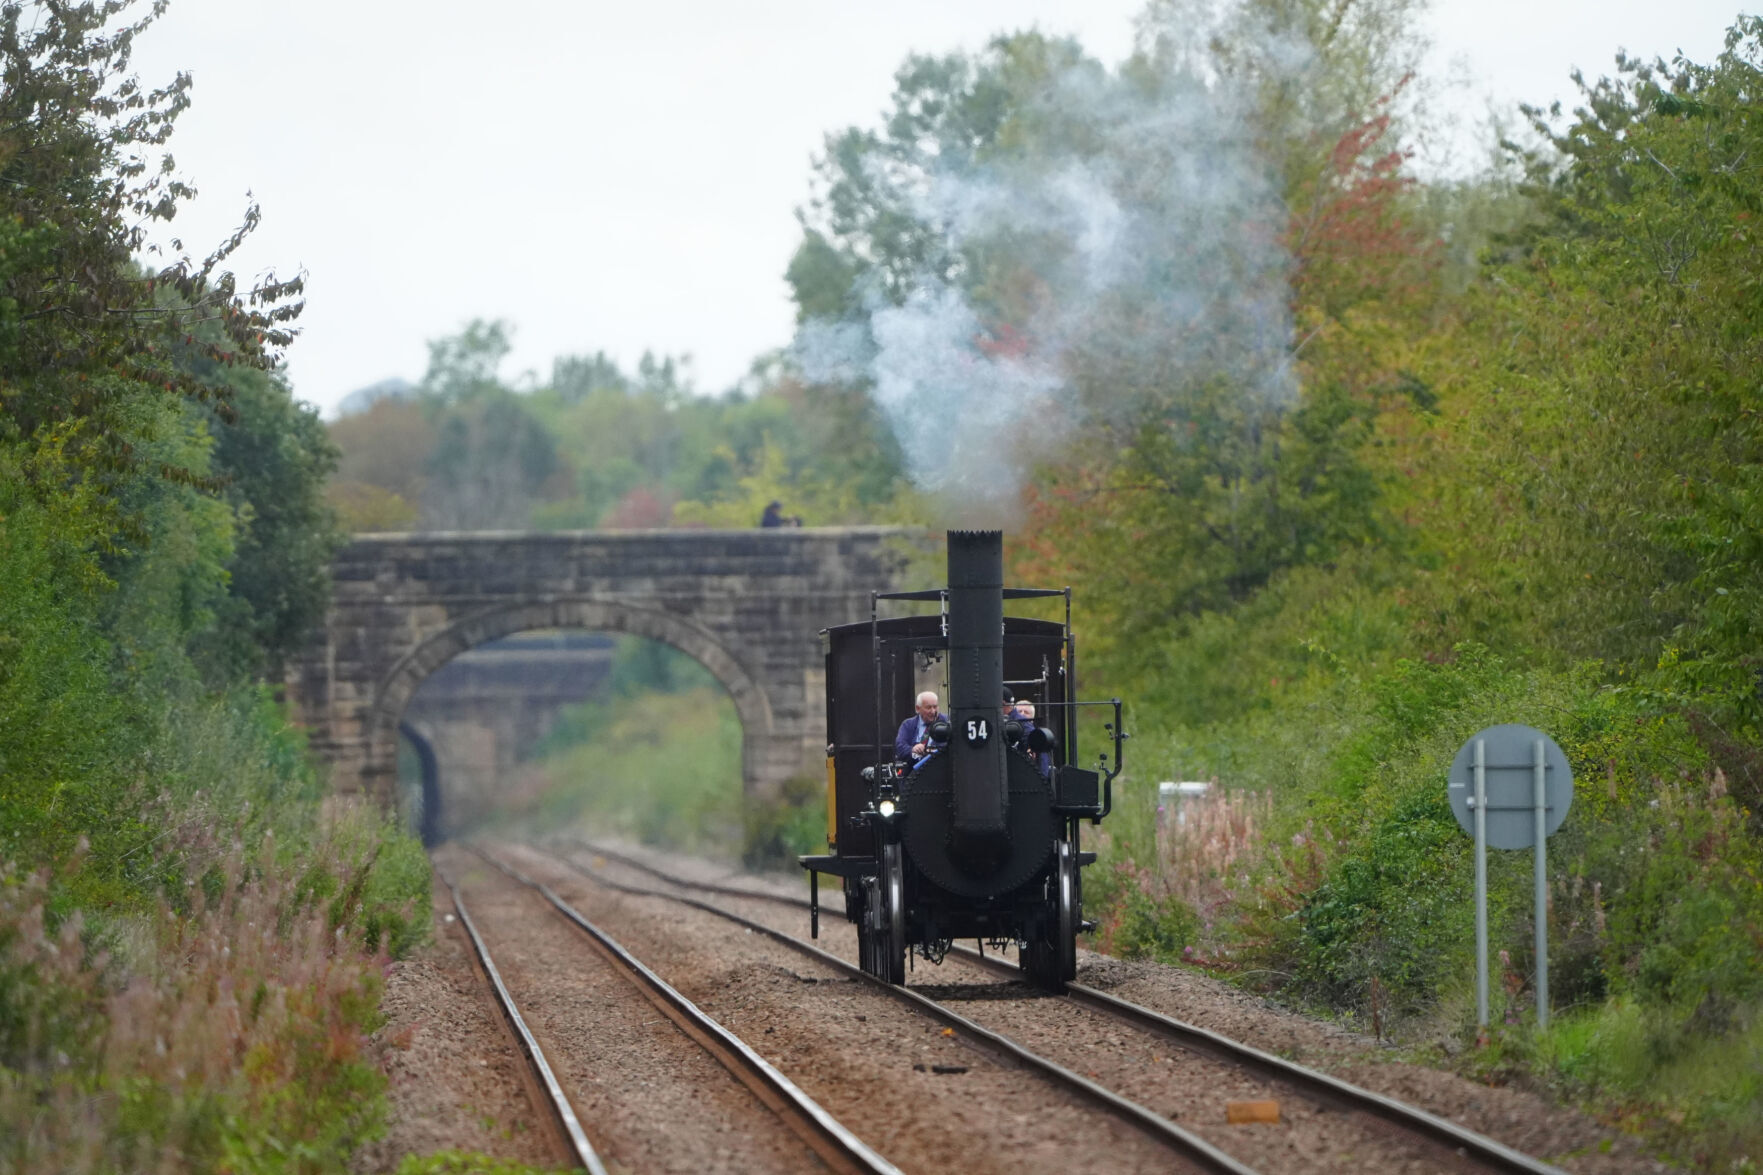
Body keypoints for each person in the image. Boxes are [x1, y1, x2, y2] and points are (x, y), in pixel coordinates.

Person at [894, 690, 946, 763]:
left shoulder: (946, 723)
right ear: (917, 708)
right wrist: (912, 750)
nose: (933, 711)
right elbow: (900, 748)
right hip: (913, 767)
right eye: (928, 708)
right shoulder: (908, 725)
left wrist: (930, 751)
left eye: (935, 707)